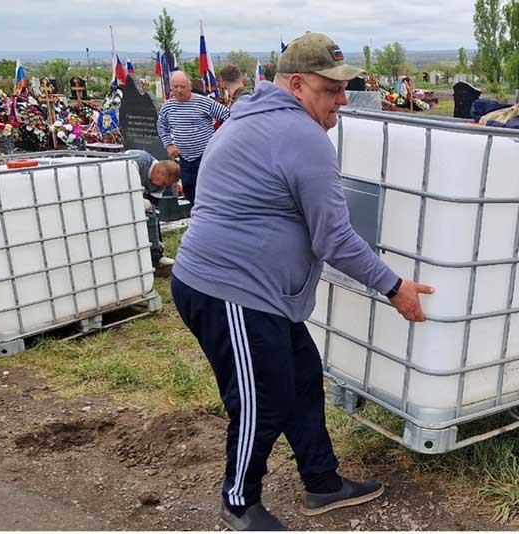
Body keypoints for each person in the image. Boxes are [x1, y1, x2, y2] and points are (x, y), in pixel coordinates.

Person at [171, 32, 434, 531]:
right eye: (330, 89)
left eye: (344, 87)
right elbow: (335, 240)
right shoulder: (301, 136)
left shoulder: (249, 116)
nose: (341, 99)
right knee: (261, 398)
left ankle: (322, 483)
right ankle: (238, 502)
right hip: (230, 290)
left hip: (253, 292)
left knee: (302, 379)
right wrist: (394, 286)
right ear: (295, 84)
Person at [156, 71, 230, 206]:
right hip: (185, 158)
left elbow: (227, 116)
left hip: (206, 155)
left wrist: (221, 139)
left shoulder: (204, 103)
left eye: (182, 86)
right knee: (189, 190)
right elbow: (162, 127)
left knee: (209, 190)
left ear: (189, 85)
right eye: (175, 87)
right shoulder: (168, 107)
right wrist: (169, 145)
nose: (179, 90)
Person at [125, 149, 181, 271]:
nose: (164, 186)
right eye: (165, 183)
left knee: (152, 216)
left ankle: (156, 256)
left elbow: (153, 208)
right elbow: (119, 178)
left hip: (134, 198)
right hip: (113, 191)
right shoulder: (138, 160)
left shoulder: (159, 185)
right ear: (159, 172)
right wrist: (137, 198)